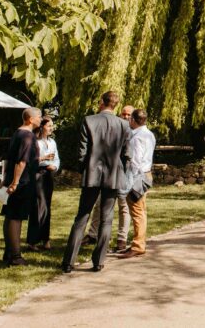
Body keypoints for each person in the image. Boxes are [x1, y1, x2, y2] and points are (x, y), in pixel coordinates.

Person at [61, 91, 133, 273]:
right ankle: (99, 261)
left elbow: (82, 152)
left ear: (102, 102)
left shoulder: (89, 121)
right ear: (116, 105)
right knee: (107, 218)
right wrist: (121, 172)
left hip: (91, 174)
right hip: (113, 175)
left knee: (82, 216)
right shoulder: (124, 125)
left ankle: (69, 261)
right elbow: (127, 154)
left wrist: (84, 169)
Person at [85, 103, 134, 253]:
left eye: (129, 114)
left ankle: (121, 239)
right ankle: (93, 234)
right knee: (99, 205)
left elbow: (129, 155)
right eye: (124, 113)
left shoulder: (133, 131)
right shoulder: (116, 127)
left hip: (124, 174)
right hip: (109, 174)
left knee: (123, 207)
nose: (126, 116)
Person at [1, 108, 42, 265]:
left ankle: (9, 252)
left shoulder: (17, 133)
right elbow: (21, 161)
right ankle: (16, 256)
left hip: (14, 179)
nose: (40, 119)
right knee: (16, 217)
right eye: (39, 117)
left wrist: (7, 179)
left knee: (10, 215)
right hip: (22, 182)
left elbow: (10, 158)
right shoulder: (27, 136)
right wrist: (15, 182)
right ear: (30, 119)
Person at [120, 109, 155, 259]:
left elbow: (135, 161)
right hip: (146, 174)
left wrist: (129, 181)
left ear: (133, 120)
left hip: (138, 177)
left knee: (137, 211)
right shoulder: (149, 134)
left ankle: (138, 246)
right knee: (141, 210)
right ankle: (138, 242)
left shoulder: (136, 138)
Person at [26, 117, 60, 251]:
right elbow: (30, 159)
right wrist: (44, 159)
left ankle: (46, 239)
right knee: (38, 206)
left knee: (47, 206)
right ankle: (33, 241)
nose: (51, 128)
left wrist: (55, 166)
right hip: (37, 173)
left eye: (52, 125)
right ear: (42, 127)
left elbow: (56, 158)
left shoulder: (52, 142)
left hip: (48, 175)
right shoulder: (35, 142)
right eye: (49, 126)